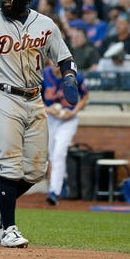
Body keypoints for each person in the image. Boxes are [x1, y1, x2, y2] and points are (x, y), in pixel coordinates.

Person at [0, 0, 79, 247]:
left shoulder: (46, 24)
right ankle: (9, 228)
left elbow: (65, 58)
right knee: (10, 167)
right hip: (3, 97)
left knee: (37, 170)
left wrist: (69, 78)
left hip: (34, 99)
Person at [42, 60, 89, 206]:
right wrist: (48, 110)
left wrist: (73, 112)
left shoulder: (72, 75)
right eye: (54, 63)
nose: (56, 66)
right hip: (51, 118)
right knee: (51, 155)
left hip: (68, 119)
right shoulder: (44, 75)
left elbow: (85, 95)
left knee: (59, 153)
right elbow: (36, 96)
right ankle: (59, 185)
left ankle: (54, 191)